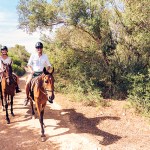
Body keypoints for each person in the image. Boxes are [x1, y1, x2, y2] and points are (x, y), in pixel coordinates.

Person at [24, 42, 52, 106]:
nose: (39, 49)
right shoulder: (33, 55)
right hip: (34, 73)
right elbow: (29, 65)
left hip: (42, 74)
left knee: (49, 82)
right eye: (37, 48)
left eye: (40, 47)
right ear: (36, 49)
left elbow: (49, 66)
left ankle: (50, 97)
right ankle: (27, 97)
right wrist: (31, 70)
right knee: (27, 83)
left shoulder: (45, 56)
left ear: (42, 48)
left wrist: (46, 71)